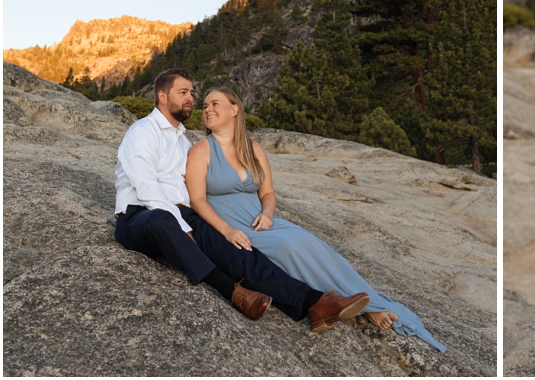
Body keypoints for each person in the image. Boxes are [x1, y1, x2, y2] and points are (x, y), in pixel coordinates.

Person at [185, 87, 447, 353]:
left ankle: (368, 301)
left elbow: (268, 193)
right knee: (290, 249)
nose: (207, 109)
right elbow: (198, 201)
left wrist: (267, 213)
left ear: (234, 109)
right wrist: (227, 231)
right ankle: (361, 307)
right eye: (204, 106)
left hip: (261, 221)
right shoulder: (201, 151)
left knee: (311, 243)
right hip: (234, 226)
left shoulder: (253, 149)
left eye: (214, 103)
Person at [114, 68, 370, 331]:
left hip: (181, 216)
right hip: (139, 217)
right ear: (162, 96)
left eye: (192, 92)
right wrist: (184, 227)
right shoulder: (143, 131)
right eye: (183, 92)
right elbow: (146, 187)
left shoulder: (183, 142)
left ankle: (314, 303)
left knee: (239, 250)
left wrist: (206, 227)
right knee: (161, 219)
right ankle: (233, 292)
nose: (191, 98)